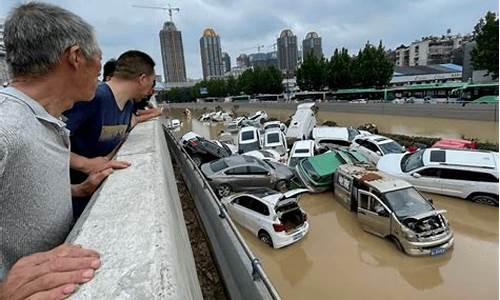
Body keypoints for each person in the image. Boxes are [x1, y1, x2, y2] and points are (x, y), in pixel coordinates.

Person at [0, 2, 107, 298]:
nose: (99, 73)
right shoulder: (7, 127)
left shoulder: (40, 120)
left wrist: (77, 190)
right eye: (99, 62)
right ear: (75, 57)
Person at [64, 50, 156, 218]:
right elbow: (47, 143)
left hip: (95, 194)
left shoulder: (128, 104)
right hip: (69, 200)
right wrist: (86, 164)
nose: (150, 91)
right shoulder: (93, 98)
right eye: (151, 83)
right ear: (142, 79)